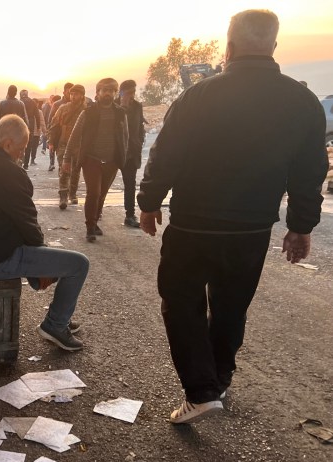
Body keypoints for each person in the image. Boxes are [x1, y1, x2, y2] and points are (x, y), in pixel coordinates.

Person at [138, 9, 328, 424]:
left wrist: (148, 201)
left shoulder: (199, 95)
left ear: (229, 44)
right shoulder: (302, 102)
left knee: (181, 301)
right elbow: (311, 172)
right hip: (251, 230)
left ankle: (203, 391)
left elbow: (166, 154)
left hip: (192, 226)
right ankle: (218, 380)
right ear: (274, 46)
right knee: (230, 307)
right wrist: (300, 226)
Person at [0, 114, 90, 351]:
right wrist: (43, 269)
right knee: (79, 265)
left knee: (31, 246)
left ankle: (59, 312)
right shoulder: (9, 172)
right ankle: (55, 324)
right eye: (21, 149)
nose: (22, 155)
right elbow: (29, 224)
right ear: (8, 144)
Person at [63, 78, 128, 242]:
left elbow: (125, 137)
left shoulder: (120, 113)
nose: (107, 93)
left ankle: (95, 220)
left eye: (111, 90)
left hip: (111, 161)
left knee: (103, 194)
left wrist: (123, 157)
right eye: (104, 90)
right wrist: (66, 159)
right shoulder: (88, 113)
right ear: (98, 92)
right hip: (91, 159)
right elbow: (74, 136)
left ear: (115, 93)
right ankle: (90, 227)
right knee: (94, 192)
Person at [49, 84, 87, 209]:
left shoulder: (87, 110)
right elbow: (54, 126)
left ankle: (73, 193)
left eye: (76, 94)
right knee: (64, 169)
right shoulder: (63, 108)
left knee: (76, 170)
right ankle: (63, 196)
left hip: (80, 145)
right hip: (63, 143)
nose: (73, 96)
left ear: (82, 95)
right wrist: (51, 142)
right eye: (71, 94)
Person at [117, 79, 145, 228]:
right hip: (114, 151)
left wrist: (139, 141)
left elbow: (139, 126)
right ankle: (96, 214)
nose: (132, 95)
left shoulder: (137, 106)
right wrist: (123, 108)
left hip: (131, 152)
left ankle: (130, 215)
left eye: (134, 92)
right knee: (102, 184)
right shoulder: (113, 105)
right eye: (129, 92)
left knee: (130, 184)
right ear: (121, 92)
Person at [20, 90, 40, 169]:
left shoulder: (19, 101)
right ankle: (26, 165)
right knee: (28, 144)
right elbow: (37, 115)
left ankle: (20, 162)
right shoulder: (33, 102)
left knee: (20, 143)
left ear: (21, 95)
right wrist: (38, 127)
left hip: (21, 123)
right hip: (30, 124)